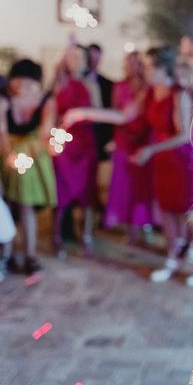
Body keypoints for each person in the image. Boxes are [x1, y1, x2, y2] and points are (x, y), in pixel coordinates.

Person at [64, 47, 193, 282]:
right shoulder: (148, 93)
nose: (143, 70)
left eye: (148, 66)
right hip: (160, 158)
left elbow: (184, 135)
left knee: (187, 210)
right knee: (165, 209)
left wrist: (150, 149)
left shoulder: (178, 94)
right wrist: (82, 113)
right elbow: (123, 116)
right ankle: (172, 259)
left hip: (181, 158)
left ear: (161, 68)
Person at [0, 59, 57, 274]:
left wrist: (47, 146)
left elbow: (45, 132)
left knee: (26, 204)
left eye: (27, 83)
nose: (21, 88)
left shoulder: (46, 100)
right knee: (7, 206)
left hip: (33, 154)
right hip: (6, 152)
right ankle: (9, 254)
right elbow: (2, 132)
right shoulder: (4, 99)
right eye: (18, 83)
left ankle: (30, 256)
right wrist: (9, 156)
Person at [103, 51, 156, 243]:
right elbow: (118, 113)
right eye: (128, 63)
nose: (131, 66)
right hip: (124, 139)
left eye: (135, 62)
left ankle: (145, 223)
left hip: (145, 139)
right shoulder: (119, 86)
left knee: (143, 184)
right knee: (125, 184)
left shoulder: (149, 87)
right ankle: (130, 227)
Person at [52, 45, 99, 256]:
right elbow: (50, 111)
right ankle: (57, 236)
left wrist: (82, 114)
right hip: (63, 143)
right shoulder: (58, 82)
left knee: (87, 190)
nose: (75, 60)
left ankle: (87, 234)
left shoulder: (91, 84)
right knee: (60, 190)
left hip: (85, 142)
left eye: (79, 56)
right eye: (70, 56)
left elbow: (98, 112)